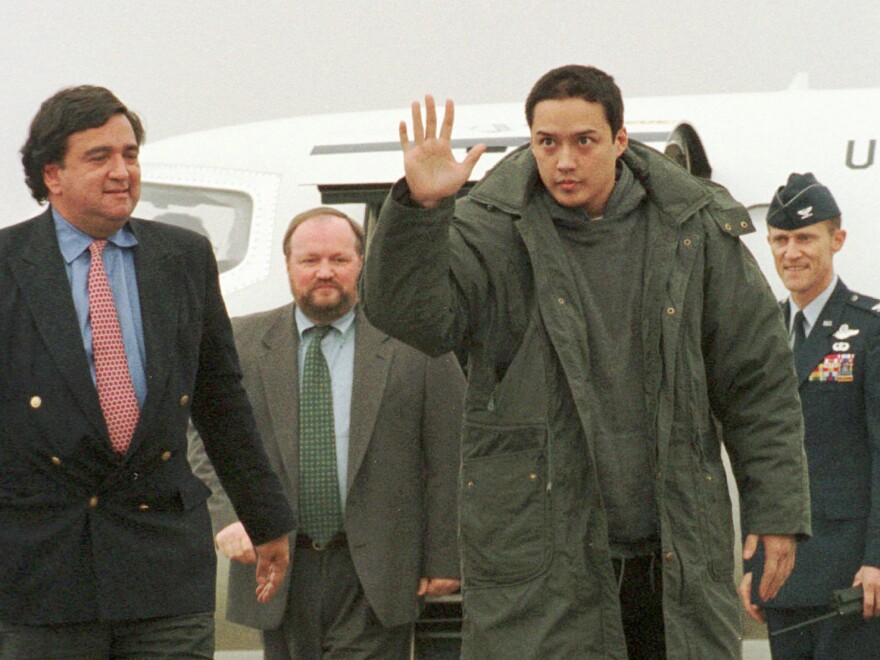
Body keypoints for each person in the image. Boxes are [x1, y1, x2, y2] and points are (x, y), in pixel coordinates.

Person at [360, 64, 811, 658]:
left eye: (583, 141)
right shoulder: (490, 229)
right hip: (544, 567)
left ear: (621, 141)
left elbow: (758, 382)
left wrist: (775, 510)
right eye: (547, 143)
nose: (564, 161)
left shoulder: (692, 228)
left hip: (674, 558)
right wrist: (420, 209)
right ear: (531, 143)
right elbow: (410, 318)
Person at [0, 85, 294, 658]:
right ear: (51, 174)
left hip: (161, 563)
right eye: (99, 157)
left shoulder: (183, 258)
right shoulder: (8, 267)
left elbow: (220, 399)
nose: (121, 171)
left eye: (130, 154)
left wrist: (266, 518)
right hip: (40, 573)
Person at [188, 207, 465, 659]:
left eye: (338, 260)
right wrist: (229, 517)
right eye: (309, 260)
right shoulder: (240, 343)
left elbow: (449, 452)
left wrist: (443, 556)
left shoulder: (416, 344)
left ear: (361, 263)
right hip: (276, 563)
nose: (324, 272)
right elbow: (204, 441)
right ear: (288, 266)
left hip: (376, 569)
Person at [739, 172, 880, 657]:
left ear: (836, 240)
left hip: (852, 575)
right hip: (783, 573)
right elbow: (754, 455)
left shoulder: (870, 330)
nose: (791, 252)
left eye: (805, 238)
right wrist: (751, 565)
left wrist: (878, 560)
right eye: (780, 239)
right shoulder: (764, 332)